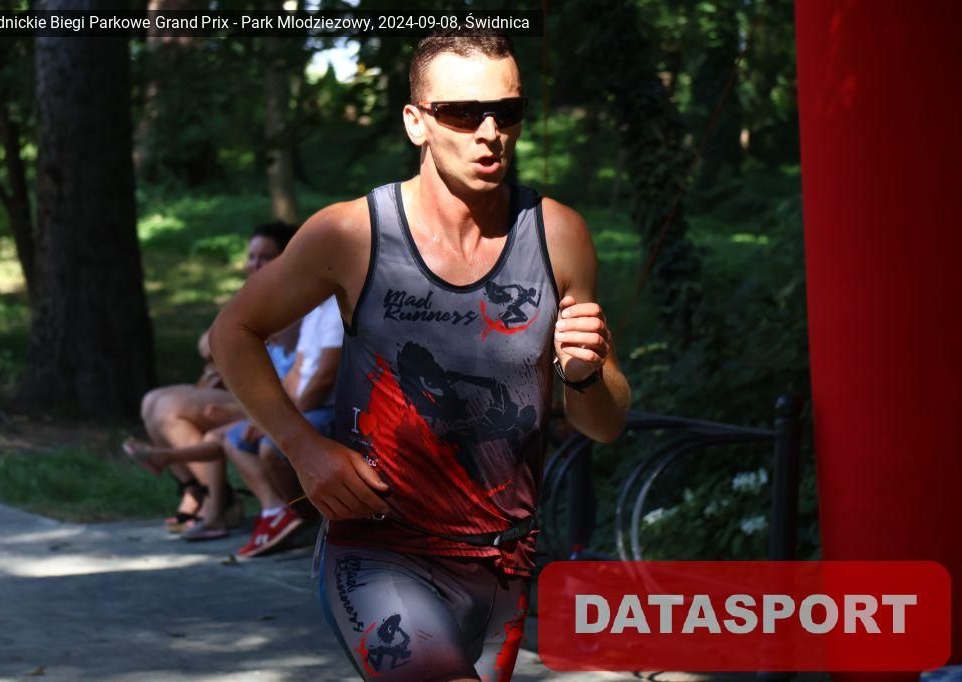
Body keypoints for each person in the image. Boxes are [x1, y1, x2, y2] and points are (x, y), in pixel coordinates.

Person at [209, 33, 631, 682]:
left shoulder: (558, 234)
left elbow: (604, 423)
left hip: (505, 561)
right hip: (380, 552)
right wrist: (302, 447)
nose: (490, 132)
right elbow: (233, 331)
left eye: (507, 112)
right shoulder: (351, 232)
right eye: (462, 113)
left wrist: (583, 376)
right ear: (417, 123)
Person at [128, 221, 299, 537]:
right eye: (251, 257)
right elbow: (206, 345)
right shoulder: (253, 294)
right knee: (152, 401)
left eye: (265, 257)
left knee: (169, 408)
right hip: (246, 389)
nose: (255, 264)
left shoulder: (297, 297)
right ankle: (195, 488)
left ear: (286, 257)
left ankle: (216, 501)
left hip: (274, 394)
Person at [221, 294, 343, 558]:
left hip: (326, 409)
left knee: (271, 447)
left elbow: (324, 379)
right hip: (303, 407)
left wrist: (284, 422)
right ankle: (277, 511)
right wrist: (268, 416)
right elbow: (296, 373)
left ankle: (308, 518)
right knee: (235, 439)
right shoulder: (314, 309)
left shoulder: (335, 311)